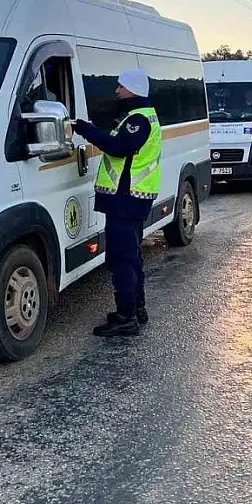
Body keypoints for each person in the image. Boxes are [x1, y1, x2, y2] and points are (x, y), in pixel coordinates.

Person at [71, 69, 162, 337]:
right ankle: (137, 310)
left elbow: (117, 147)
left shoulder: (138, 121)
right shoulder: (142, 117)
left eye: (121, 87)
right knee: (132, 257)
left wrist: (86, 130)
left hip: (126, 199)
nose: (117, 91)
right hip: (131, 200)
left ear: (132, 89)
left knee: (121, 259)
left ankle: (125, 317)